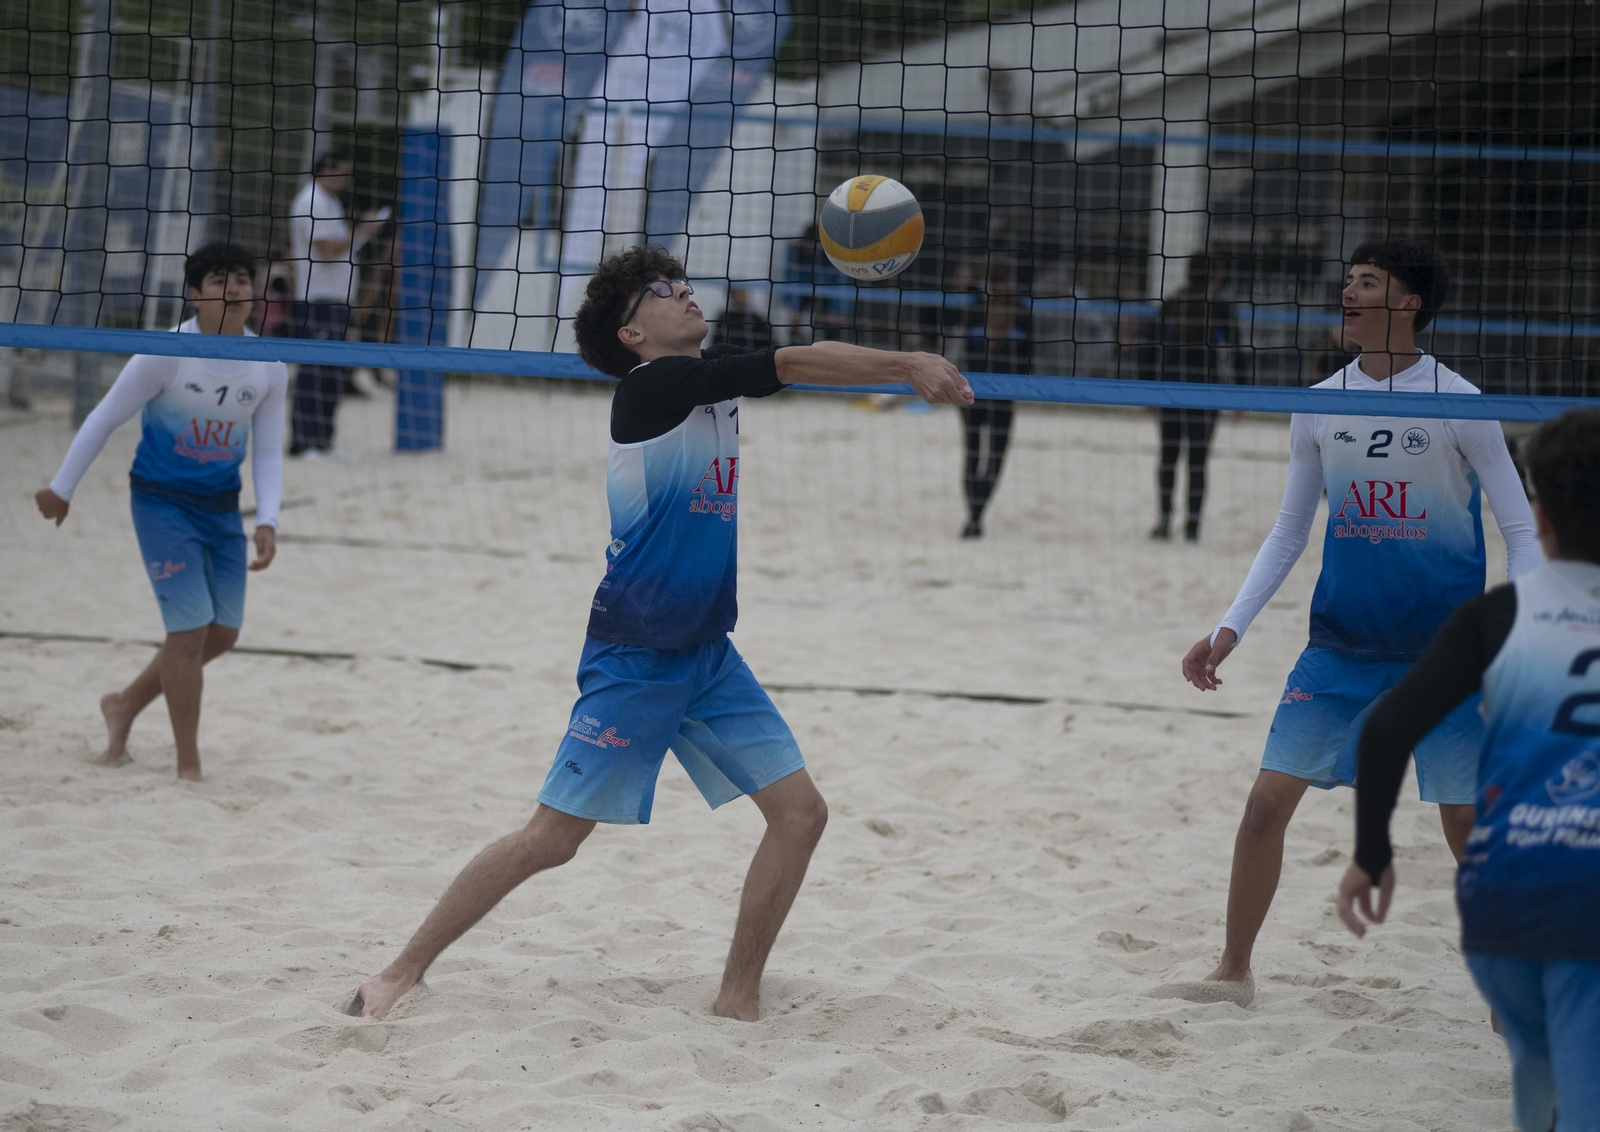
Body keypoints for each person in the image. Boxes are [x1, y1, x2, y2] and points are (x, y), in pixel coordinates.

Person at [347, 245, 972, 1022]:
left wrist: (901, 363)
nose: (683, 294)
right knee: (551, 840)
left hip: (707, 650)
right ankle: (399, 971)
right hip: (638, 653)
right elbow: (790, 360)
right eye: (661, 293)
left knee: (801, 815)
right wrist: (905, 359)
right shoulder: (653, 390)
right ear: (631, 336)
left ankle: (737, 996)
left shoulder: (706, 384)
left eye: (682, 284)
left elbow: (803, 361)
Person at [1175, 239, 1542, 1005]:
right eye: (1346, 280)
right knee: (1261, 810)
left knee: (1469, 832)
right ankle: (1233, 971)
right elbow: (1288, 532)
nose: (1346, 292)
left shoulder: (1461, 405)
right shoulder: (1318, 401)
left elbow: (1521, 529)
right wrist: (1230, 627)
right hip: (1340, 649)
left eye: (1366, 283)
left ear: (1407, 305)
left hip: (1445, 658)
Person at [1337, 407, 1600, 1132]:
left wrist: (1371, 854)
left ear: (1539, 517)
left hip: (1509, 892)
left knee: (1542, 1059)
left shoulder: (1497, 616)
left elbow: (1388, 729)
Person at [33, 242, 288, 782]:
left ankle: (123, 704)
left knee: (223, 634)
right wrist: (62, 487)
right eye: (221, 279)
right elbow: (104, 418)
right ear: (195, 294)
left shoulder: (267, 362)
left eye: (243, 279)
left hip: (221, 508)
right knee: (190, 632)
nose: (236, 288)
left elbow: (267, 449)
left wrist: (268, 519)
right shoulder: (164, 352)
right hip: (160, 502)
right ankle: (188, 768)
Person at [286, 149, 388, 456]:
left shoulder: (329, 202)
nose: (346, 179)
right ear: (326, 169)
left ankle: (324, 441)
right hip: (317, 300)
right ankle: (303, 443)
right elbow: (326, 249)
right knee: (314, 373)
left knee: (333, 374)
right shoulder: (311, 200)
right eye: (343, 172)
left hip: (336, 301)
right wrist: (363, 231)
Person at [1151, 253, 1237, 542]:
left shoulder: (1172, 303)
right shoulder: (1221, 308)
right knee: (1198, 460)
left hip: (1172, 388)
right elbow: (1237, 352)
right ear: (1215, 276)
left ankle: (1164, 521)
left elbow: (1150, 348)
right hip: (1206, 389)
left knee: (1168, 455)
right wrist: (1243, 393)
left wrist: (1148, 389)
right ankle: (1192, 527)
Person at [958, 259, 1031, 539]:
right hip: (1004, 393)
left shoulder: (976, 308)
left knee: (972, 454)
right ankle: (978, 514)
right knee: (995, 458)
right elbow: (1027, 359)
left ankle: (972, 517)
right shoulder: (1021, 311)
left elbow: (965, 351)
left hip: (971, 391)